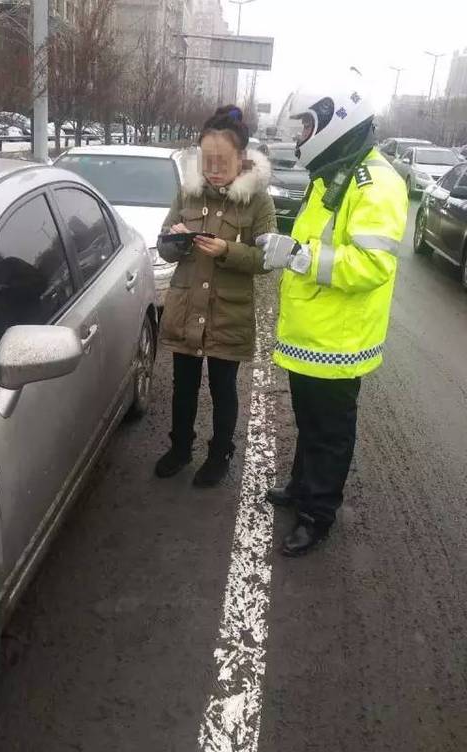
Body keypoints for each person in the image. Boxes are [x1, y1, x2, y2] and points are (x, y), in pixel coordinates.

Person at [258, 74, 408, 556]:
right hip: (313, 335)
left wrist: (297, 254)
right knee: (310, 422)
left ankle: (317, 515)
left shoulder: (375, 182)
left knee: (329, 433)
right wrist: (283, 242)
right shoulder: (335, 174)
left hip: (338, 342)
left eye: (306, 126)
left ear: (332, 121)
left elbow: (372, 265)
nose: (300, 137)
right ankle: (302, 488)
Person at [155, 105, 277, 487]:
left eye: (222, 161)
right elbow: (163, 247)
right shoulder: (188, 193)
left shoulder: (258, 201)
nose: (213, 168)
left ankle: (220, 453)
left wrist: (227, 250)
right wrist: (175, 241)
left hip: (228, 311)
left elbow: (266, 259)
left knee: (224, 389)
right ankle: (180, 448)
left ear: (241, 158)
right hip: (187, 306)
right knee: (184, 385)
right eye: (207, 160)